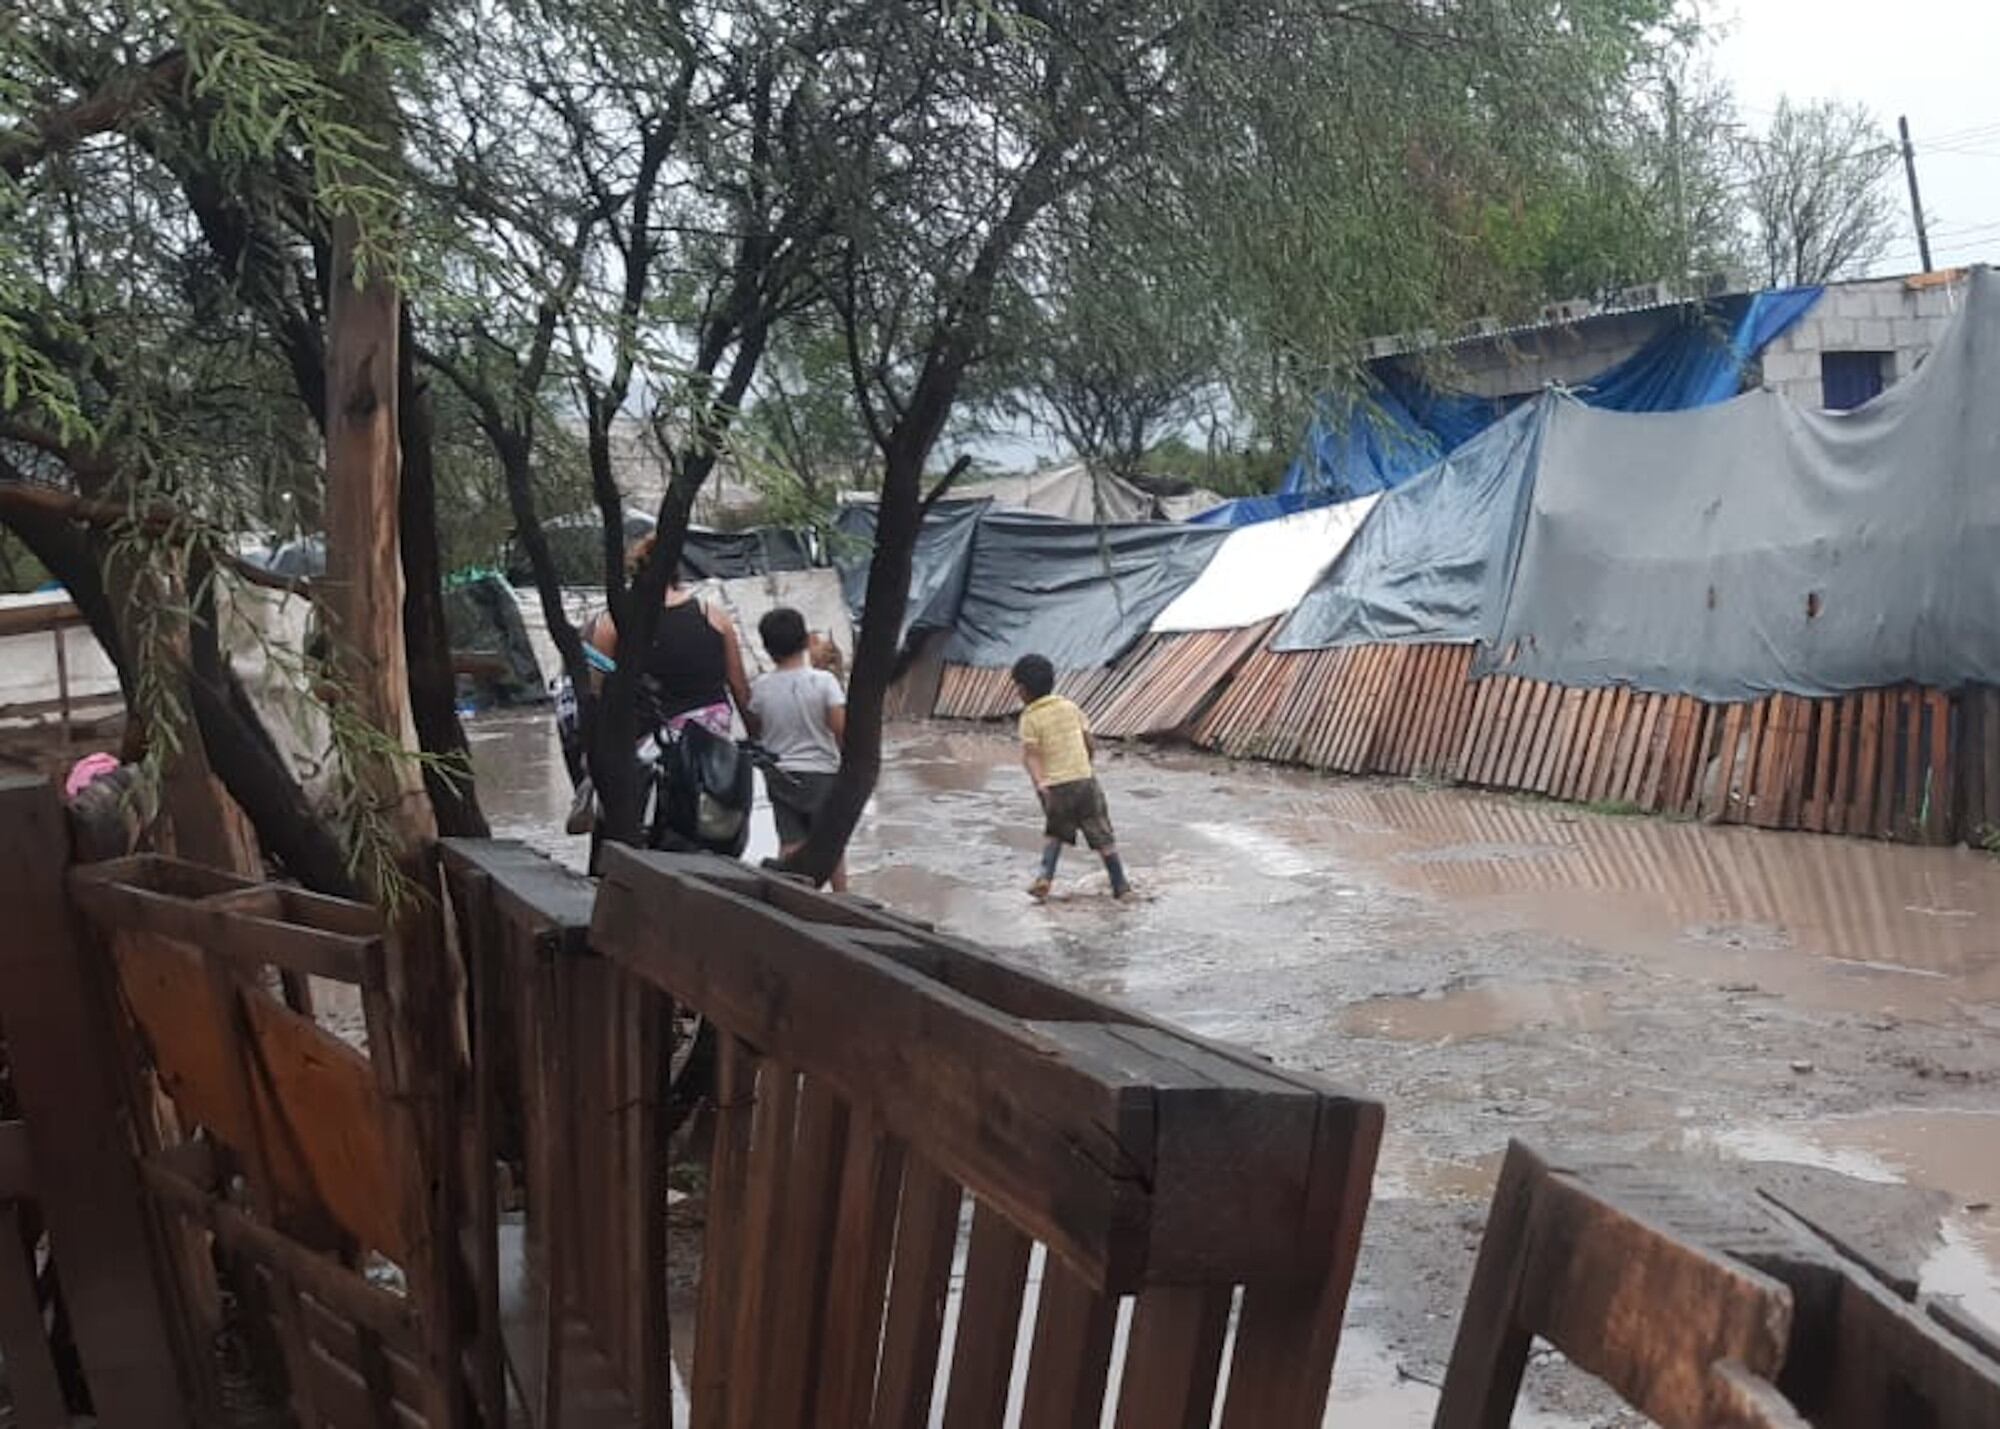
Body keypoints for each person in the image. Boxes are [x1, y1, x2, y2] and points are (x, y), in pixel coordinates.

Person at [589, 538, 754, 738]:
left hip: (652, 738)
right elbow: (740, 687)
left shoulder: (613, 623)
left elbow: (600, 691)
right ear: (675, 569)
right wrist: (755, 735)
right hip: (713, 732)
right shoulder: (712, 615)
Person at [1012, 653, 1132, 902]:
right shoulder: (1070, 707)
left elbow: (1031, 756)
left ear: (1022, 689)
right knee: (1103, 836)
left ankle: (1045, 878)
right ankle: (1121, 886)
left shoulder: (1029, 718)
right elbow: (1088, 741)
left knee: (1055, 833)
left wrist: (1039, 781)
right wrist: (1087, 764)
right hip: (1085, 782)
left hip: (1056, 786)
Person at [750, 607, 849, 891]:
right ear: (807, 641)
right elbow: (840, 729)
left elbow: (757, 728)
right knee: (831, 843)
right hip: (822, 775)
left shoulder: (761, 688)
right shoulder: (824, 682)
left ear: (767, 649)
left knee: (790, 841)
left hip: (780, 775)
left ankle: (792, 895)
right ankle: (842, 896)